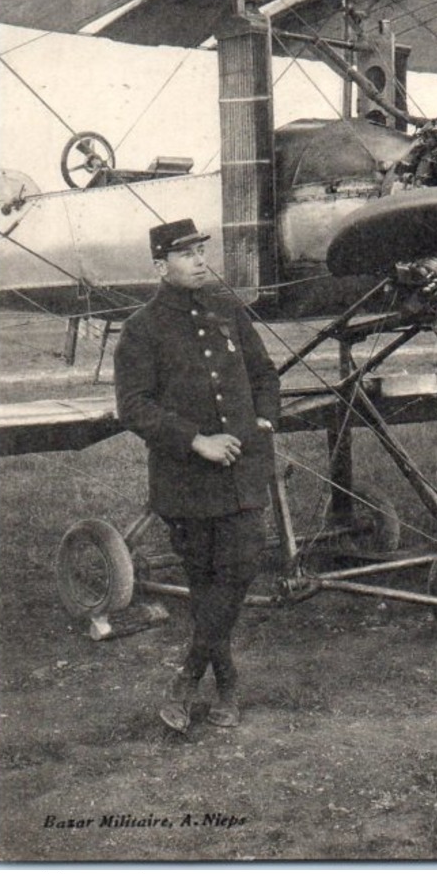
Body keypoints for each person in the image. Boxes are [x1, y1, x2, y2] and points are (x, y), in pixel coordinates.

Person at [114, 219, 280, 732]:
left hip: (244, 473)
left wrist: (264, 418)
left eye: (202, 251)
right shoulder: (142, 329)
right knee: (207, 584)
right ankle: (227, 684)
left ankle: (187, 678)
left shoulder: (228, 311)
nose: (201, 261)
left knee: (242, 566)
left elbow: (264, 374)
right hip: (187, 481)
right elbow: (134, 406)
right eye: (187, 255)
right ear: (160, 266)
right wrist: (195, 440)